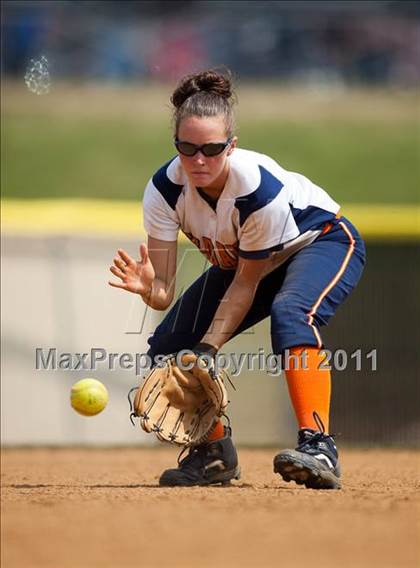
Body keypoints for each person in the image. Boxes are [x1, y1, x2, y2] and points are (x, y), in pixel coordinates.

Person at [109, 69, 366, 490]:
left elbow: (245, 285)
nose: (198, 160)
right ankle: (213, 454)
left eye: (211, 148)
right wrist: (150, 289)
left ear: (232, 145)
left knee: (291, 314)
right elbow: (164, 292)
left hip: (321, 242)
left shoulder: (255, 190)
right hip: (252, 263)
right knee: (168, 348)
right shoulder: (164, 190)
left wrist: (208, 348)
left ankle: (318, 445)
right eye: (187, 148)